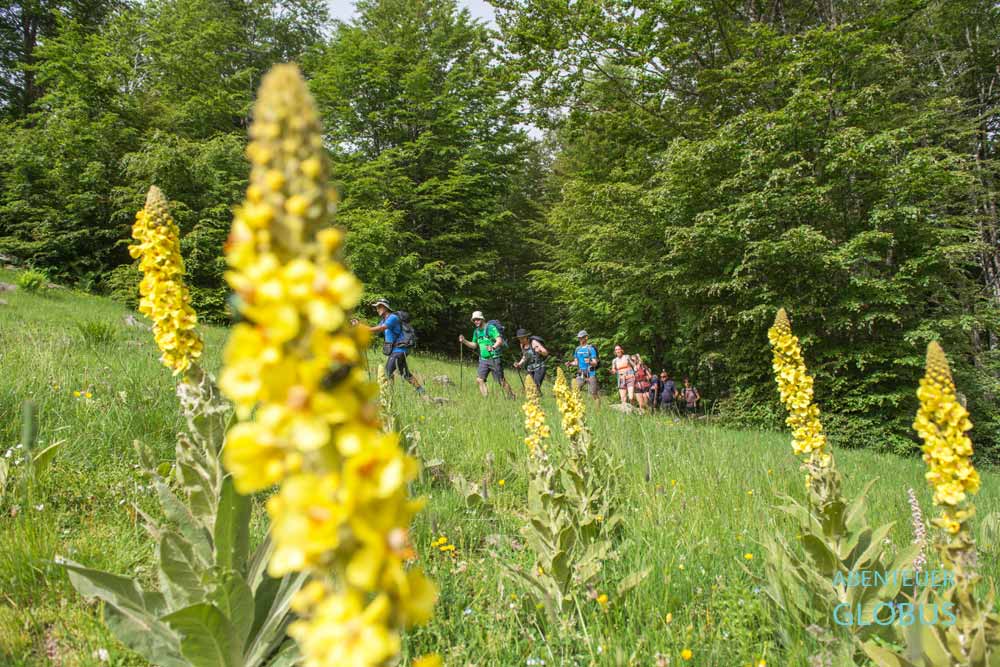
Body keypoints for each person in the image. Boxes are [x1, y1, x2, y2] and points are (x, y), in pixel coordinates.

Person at [353, 299, 426, 396]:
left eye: (379, 307)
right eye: (376, 307)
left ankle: (390, 395)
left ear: (385, 307)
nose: (377, 309)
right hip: (396, 350)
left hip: (399, 350)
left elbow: (381, 328)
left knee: (387, 371)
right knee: (405, 373)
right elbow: (374, 330)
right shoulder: (384, 320)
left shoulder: (392, 318)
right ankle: (421, 390)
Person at [459, 311, 515, 398]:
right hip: (483, 359)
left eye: (477, 319)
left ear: (482, 319)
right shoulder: (476, 331)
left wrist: (493, 347)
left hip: (494, 358)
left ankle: (511, 396)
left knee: (500, 381)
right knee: (479, 379)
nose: (476, 321)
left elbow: (499, 340)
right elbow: (474, 345)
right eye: (474, 320)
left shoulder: (491, 328)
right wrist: (464, 341)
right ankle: (486, 398)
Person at [565, 330, 600, 401]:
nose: (580, 339)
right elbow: (576, 362)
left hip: (591, 374)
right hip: (580, 374)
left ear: (586, 338)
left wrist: (590, 362)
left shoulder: (591, 349)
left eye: (581, 337)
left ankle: (598, 410)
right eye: (579, 338)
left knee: (594, 394)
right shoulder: (577, 349)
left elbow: (595, 362)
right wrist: (570, 363)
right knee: (575, 391)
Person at [513, 328, 549, 394]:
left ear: (526, 337)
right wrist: (519, 364)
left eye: (522, 338)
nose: (521, 340)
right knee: (529, 386)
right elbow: (525, 356)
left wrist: (540, 351)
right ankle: (540, 397)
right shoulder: (522, 345)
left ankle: (537, 400)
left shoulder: (534, 342)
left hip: (539, 367)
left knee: (535, 387)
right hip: (530, 368)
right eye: (519, 338)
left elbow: (546, 352)